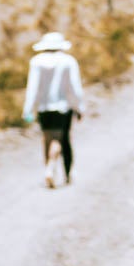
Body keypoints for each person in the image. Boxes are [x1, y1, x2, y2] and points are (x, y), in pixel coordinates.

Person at [22, 31, 85, 187]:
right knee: (59, 139)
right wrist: (79, 107)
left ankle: (49, 169)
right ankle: (53, 169)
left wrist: (28, 109)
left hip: (44, 108)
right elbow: (74, 87)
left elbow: (33, 88)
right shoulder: (68, 61)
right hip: (63, 107)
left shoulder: (37, 62)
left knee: (47, 138)